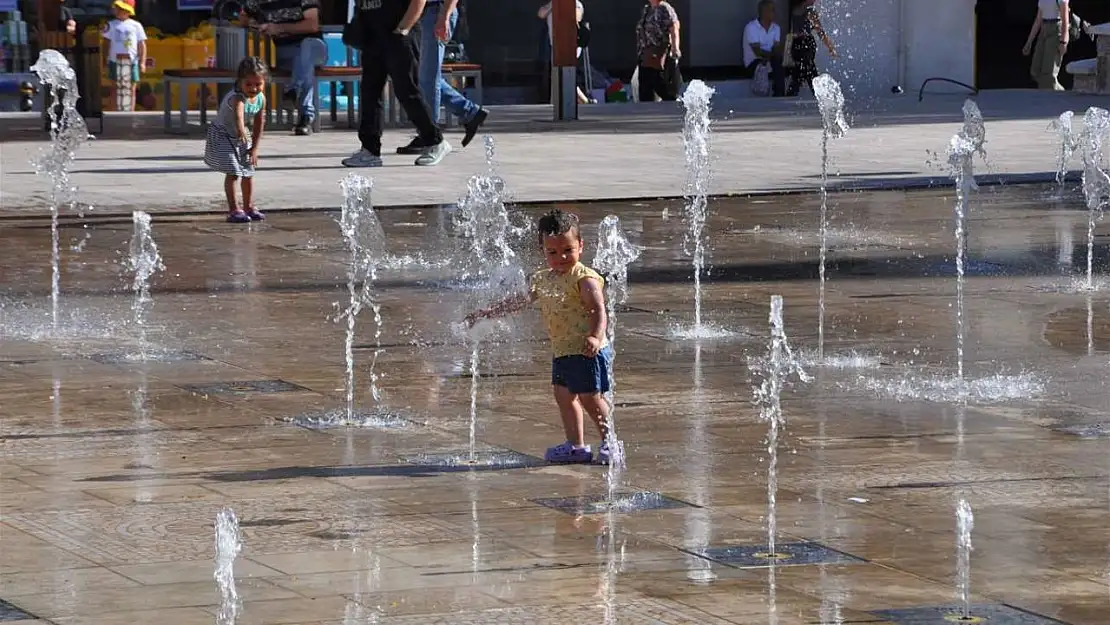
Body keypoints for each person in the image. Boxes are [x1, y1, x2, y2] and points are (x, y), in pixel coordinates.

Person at [465, 209, 614, 465]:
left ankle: (611, 442)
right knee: (564, 396)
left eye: (568, 250)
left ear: (580, 245)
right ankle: (576, 446)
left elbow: (599, 310)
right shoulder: (542, 279)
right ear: (543, 251)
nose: (561, 257)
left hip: (587, 348)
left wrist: (595, 336)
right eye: (552, 252)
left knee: (591, 397)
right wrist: (488, 312)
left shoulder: (585, 278)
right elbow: (519, 301)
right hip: (564, 350)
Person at [342, 0, 451, 167]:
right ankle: (370, 149)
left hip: (399, 33)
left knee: (407, 90)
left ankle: (435, 141)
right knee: (370, 92)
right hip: (373, 36)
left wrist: (404, 28)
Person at [394, 0, 488, 155]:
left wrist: (444, 16)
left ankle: (430, 134)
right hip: (422, 13)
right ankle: (469, 112)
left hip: (436, 11)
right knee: (423, 76)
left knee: (428, 79)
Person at [242, 0, 327, 135]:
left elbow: (312, 24)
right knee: (304, 66)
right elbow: (243, 16)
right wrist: (256, 24)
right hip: (287, 53)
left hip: (314, 48)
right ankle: (303, 113)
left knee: (306, 48)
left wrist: (279, 28)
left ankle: (294, 91)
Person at [205, 57, 268, 224]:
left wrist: (254, 148)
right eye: (249, 84)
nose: (254, 88)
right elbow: (238, 115)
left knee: (248, 171)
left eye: (258, 84)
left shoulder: (261, 98)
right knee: (233, 172)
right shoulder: (237, 97)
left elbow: (259, 122)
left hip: (242, 135)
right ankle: (234, 209)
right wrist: (241, 130)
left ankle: (248, 206)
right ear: (239, 82)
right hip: (223, 134)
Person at [538, 0, 592, 105]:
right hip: (556, 47)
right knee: (559, 79)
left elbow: (577, 17)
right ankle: (581, 102)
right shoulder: (552, 5)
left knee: (565, 77)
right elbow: (541, 13)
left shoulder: (575, 4)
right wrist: (553, 4)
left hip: (570, 46)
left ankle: (581, 102)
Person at [101, 0, 146, 112]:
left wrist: (142, 62)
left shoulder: (136, 26)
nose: (116, 10)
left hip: (131, 61)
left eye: (119, 8)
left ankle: (130, 112)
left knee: (131, 88)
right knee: (115, 88)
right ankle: (115, 111)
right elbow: (106, 43)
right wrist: (104, 59)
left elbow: (141, 45)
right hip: (115, 60)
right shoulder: (111, 25)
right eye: (116, 8)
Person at [786, 0, 836, 97]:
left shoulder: (795, 10)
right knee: (809, 69)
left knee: (802, 69)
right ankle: (818, 93)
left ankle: (793, 92)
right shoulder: (810, 11)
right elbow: (820, 31)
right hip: (805, 44)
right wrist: (830, 47)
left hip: (796, 45)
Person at [635, 0, 681, 102]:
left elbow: (674, 28)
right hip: (645, 55)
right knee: (645, 87)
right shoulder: (647, 9)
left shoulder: (665, 8)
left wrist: (675, 48)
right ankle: (646, 111)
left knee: (660, 84)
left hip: (658, 53)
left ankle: (673, 103)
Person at [1024, 0, 1070, 91]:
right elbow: (1038, 20)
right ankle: (1056, 91)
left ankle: (1052, 95)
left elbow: (1065, 21)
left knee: (1048, 73)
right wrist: (1029, 42)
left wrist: (1063, 42)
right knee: (1035, 70)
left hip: (1056, 30)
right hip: (1044, 30)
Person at [743, 0, 785, 97]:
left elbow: (776, 47)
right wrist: (771, 55)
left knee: (779, 61)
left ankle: (779, 93)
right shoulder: (751, 27)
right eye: (772, 10)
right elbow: (757, 51)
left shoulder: (776, 28)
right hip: (753, 62)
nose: (774, 13)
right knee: (775, 60)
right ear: (764, 12)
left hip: (769, 60)